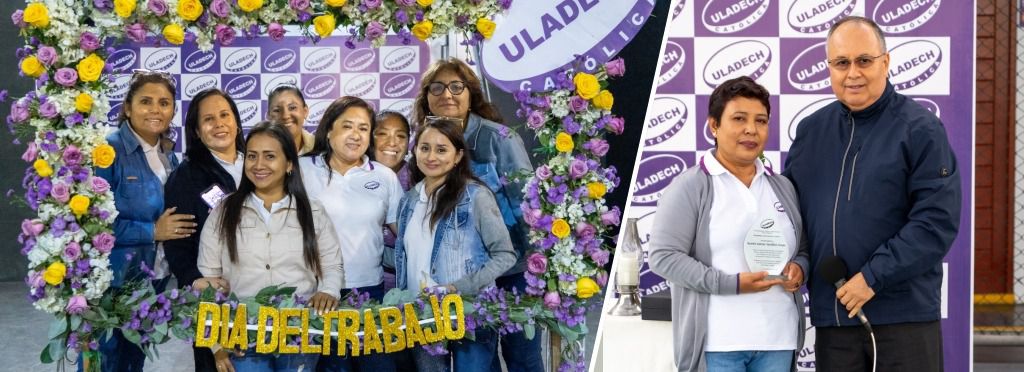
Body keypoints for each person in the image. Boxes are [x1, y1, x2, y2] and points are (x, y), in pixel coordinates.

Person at [783, 16, 961, 371]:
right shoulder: (810, 132)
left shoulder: (920, 129)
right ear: (829, 67)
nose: (853, 73)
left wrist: (871, 278)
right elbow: (791, 217)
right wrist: (796, 263)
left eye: (864, 61)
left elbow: (935, 223)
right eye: (841, 63)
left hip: (903, 318)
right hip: (834, 319)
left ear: (886, 62)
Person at [648, 76, 808, 372]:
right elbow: (663, 257)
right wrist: (731, 284)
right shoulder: (691, 186)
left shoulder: (782, 187)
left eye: (761, 120)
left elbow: (803, 249)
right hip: (717, 344)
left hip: (777, 338)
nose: (751, 129)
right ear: (714, 125)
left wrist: (800, 267)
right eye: (739, 118)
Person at [413, 58, 538, 372]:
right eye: (437, 87)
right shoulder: (424, 142)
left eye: (457, 86)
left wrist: (536, 267)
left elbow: (529, 205)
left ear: (471, 94)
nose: (447, 94)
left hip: (513, 270)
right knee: (478, 360)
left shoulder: (500, 139)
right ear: (426, 95)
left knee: (522, 356)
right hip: (462, 278)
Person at [197, 121, 344, 372]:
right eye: (252, 156)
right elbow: (208, 282)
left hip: (299, 333)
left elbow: (332, 264)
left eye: (270, 156)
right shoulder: (224, 211)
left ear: (288, 164)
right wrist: (216, 344)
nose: (259, 165)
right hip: (242, 335)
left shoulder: (313, 211)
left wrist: (328, 291)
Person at [91, 69, 196, 372]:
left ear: (173, 110)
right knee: (108, 361)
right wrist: (152, 231)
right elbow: (92, 226)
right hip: (116, 280)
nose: (155, 110)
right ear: (127, 107)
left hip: (156, 276)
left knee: (135, 358)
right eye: (146, 101)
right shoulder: (107, 151)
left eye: (164, 103)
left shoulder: (169, 155)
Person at [395, 118, 517, 372]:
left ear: (458, 155)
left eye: (442, 150)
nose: (431, 156)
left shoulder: (476, 196)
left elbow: (505, 255)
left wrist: (456, 288)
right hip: (423, 315)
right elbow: (407, 256)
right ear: (414, 151)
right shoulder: (409, 200)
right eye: (424, 147)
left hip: (470, 312)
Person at [299, 96, 403, 372]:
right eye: (347, 126)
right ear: (329, 130)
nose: (356, 135)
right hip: (316, 293)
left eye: (363, 128)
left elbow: (406, 236)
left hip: (370, 292)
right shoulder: (301, 169)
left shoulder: (384, 177)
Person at [164, 88, 245, 372]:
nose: (220, 123)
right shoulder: (186, 176)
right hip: (215, 294)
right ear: (197, 131)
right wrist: (193, 279)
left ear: (236, 120)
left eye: (225, 115)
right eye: (209, 119)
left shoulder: (259, 163)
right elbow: (177, 239)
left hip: (262, 290)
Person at [373, 110, 414, 290]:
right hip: (363, 285)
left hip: (406, 285)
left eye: (400, 136)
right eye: (382, 134)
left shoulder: (419, 180)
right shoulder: (352, 177)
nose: (392, 142)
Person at [268, 85, 316, 155]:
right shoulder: (259, 148)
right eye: (277, 110)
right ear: (269, 116)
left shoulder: (320, 147)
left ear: (305, 111)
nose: (285, 116)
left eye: (292, 108)